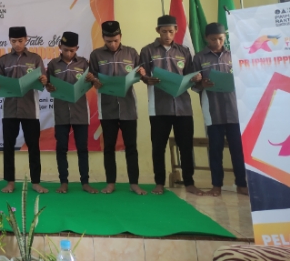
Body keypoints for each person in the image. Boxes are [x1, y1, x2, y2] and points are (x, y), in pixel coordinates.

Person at [139, 15, 203, 195]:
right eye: (164, 31)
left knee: (185, 146)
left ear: (176, 31)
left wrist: (196, 77)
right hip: (159, 107)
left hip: (183, 107)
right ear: (157, 31)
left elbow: (190, 75)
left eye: (171, 31)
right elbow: (143, 74)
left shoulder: (184, 51)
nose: (167, 35)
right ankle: (159, 183)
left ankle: (189, 182)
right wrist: (145, 78)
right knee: (158, 147)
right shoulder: (147, 50)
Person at [89, 21, 147, 195]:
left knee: (131, 147)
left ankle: (134, 183)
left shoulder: (131, 53)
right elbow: (92, 77)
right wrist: (94, 81)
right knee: (109, 147)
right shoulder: (96, 55)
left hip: (128, 106)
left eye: (115, 40)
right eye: (109, 41)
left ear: (120, 36)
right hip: (107, 108)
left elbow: (140, 74)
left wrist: (141, 74)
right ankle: (110, 183)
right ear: (103, 38)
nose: (113, 44)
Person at [192, 22, 248, 197]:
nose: (217, 42)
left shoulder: (233, 55)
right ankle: (216, 185)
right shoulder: (199, 58)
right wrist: (201, 83)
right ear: (206, 38)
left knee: (237, 149)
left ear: (225, 38)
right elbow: (194, 85)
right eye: (213, 39)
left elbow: (245, 80)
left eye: (220, 39)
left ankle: (241, 184)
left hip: (234, 110)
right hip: (213, 110)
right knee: (215, 150)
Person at [0, 26, 48, 194]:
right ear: (9, 41)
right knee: (8, 147)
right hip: (9, 110)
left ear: (26, 40)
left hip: (30, 109)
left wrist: (44, 80)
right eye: (14, 41)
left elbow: (43, 81)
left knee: (33, 147)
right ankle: (10, 182)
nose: (17, 44)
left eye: (20, 41)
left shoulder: (35, 59)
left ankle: (36, 182)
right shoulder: (3, 60)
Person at [45, 31, 98, 194]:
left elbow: (92, 83)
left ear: (77, 49)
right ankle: (63, 182)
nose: (68, 53)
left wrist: (91, 79)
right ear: (60, 47)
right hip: (61, 113)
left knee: (82, 148)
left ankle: (85, 182)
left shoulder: (84, 63)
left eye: (72, 50)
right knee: (61, 148)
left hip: (80, 112)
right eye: (65, 49)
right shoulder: (53, 64)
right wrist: (49, 86)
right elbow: (48, 85)